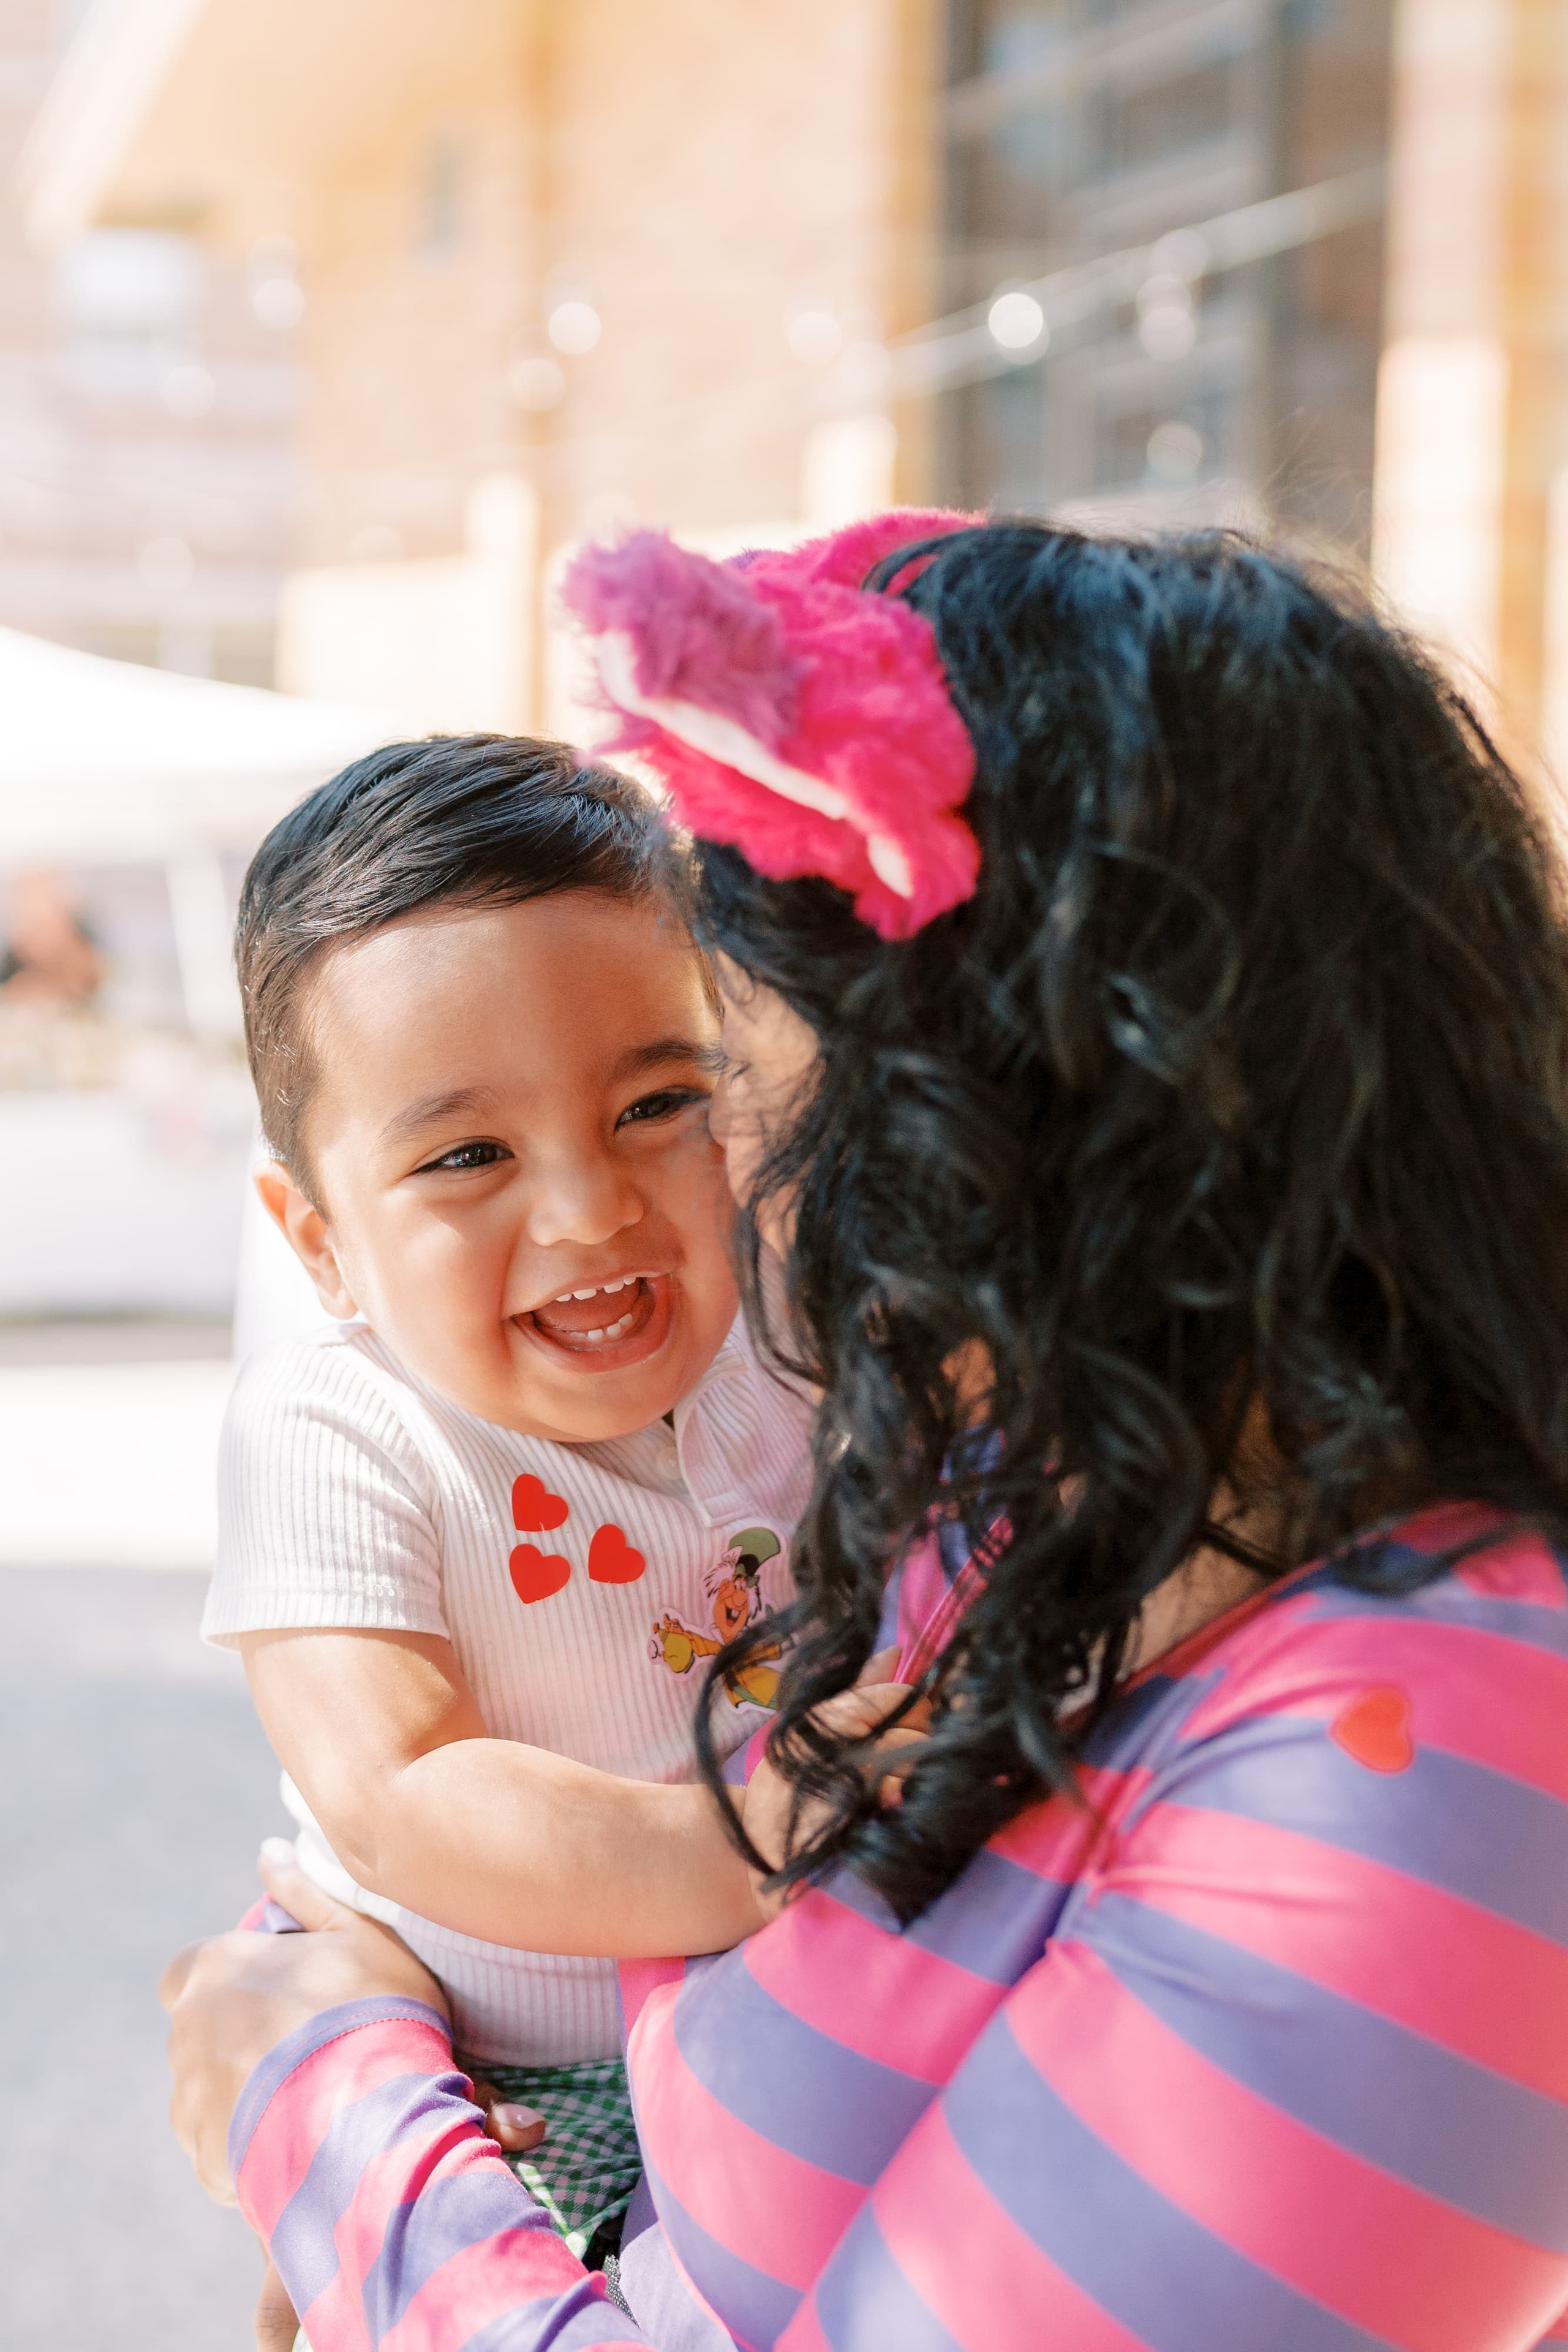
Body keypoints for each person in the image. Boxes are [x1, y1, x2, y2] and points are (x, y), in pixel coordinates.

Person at [164, 514, 1568, 2351]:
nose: (678, 1196)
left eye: (707, 1086)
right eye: (472, 1151)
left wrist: (330, 2116)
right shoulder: (1051, 1507)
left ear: (1015, 1119)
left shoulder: (1436, 1765)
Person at [209, 735, 812, 2269]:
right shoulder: (338, 1424)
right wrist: (748, 1844)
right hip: (487, 2075)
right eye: (468, 1151)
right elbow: (399, 1788)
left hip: (765, 1994)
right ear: (321, 1240)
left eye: (655, 1102)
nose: (586, 1207)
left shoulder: (785, 1345)